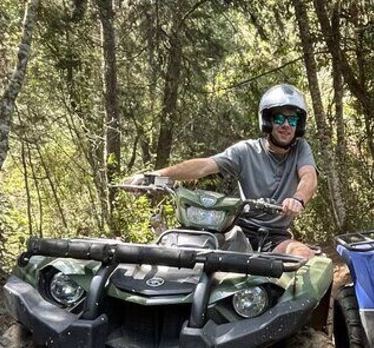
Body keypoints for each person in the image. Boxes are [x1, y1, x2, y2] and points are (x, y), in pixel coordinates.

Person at [125, 84, 318, 259]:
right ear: (267, 120)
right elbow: (204, 166)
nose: (286, 125)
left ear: (299, 125)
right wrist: (156, 175)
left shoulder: (301, 149)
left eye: (292, 120)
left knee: (304, 256)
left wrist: (298, 199)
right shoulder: (245, 151)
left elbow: (308, 176)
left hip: (275, 237)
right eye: (279, 118)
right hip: (237, 231)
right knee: (187, 253)